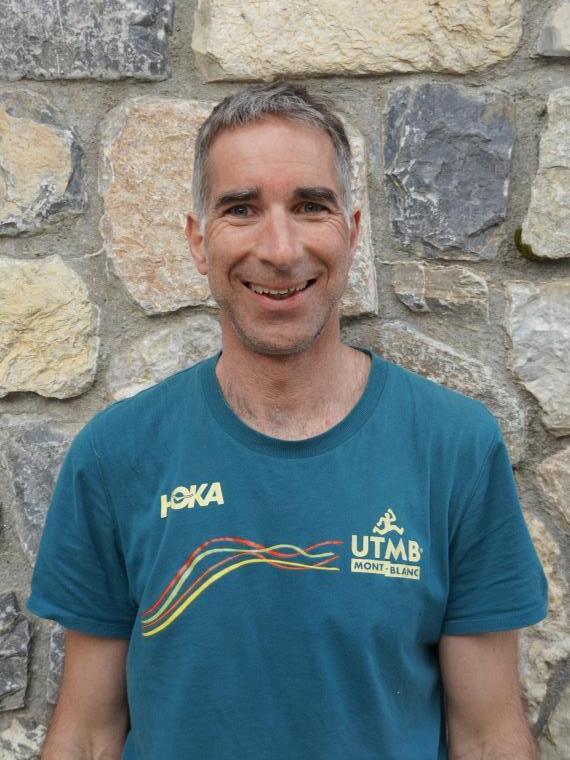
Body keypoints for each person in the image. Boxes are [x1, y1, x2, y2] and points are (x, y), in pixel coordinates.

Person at [27, 81, 548, 760]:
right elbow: (88, 735)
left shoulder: (454, 449)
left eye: (309, 206)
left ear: (351, 233)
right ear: (198, 241)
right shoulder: (116, 455)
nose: (279, 248)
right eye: (242, 208)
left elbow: (485, 738)